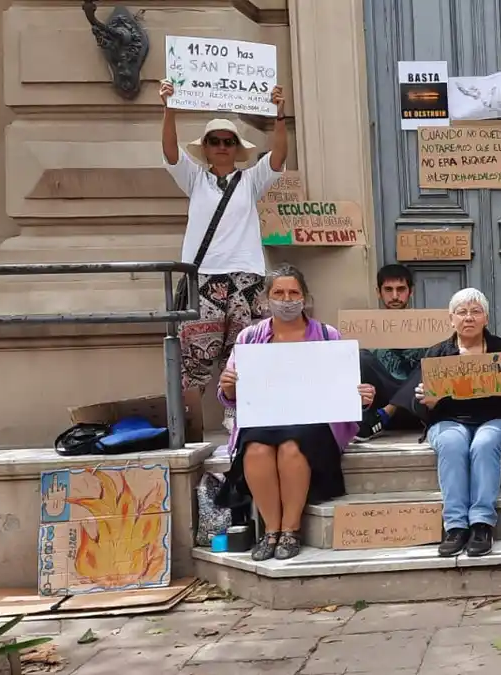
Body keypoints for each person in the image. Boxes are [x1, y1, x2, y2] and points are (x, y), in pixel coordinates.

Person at [215, 264, 374, 561]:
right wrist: (229, 387)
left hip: (313, 422)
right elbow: (229, 397)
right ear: (266, 299)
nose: (286, 300)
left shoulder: (327, 335)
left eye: (293, 293)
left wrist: (360, 397)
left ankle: (291, 529)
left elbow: (345, 388)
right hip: (266, 418)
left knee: (292, 447)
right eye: (279, 293)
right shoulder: (250, 338)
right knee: (256, 449)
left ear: (305, 297)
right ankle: (271, 530)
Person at [160, 80, 289, 425]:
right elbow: (170, 154)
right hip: (203, 275)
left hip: (245, 275)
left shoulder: (250, 180)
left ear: (236, 147)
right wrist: (169, 108)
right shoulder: (195, 179)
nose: (221, 147)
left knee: (244, 351)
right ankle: (189, 425)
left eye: (227, 141)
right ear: (205, 147)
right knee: (197, 352)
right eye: (214, 141)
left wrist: (279, 115)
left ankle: (239, 415)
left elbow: (278, 158)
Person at [411, 288, 501, 558]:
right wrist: (426, 402)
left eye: (475, 312)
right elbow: (417, 408)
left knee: (484, 442)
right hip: (449, 422)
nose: (469, 318)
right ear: (451, 319)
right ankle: (455, 526)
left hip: (498, 421)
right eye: (462, 312)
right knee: (452, 443)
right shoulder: (437, 353)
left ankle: (481, 524)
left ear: (486, 319)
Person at [356, 264, 426, 441]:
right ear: (378, 292)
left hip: (415, 406)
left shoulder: (427, 326)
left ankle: (388, 412)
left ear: (411, 291)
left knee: (431, 360)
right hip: (379, 404)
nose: (395, 296)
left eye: (401, 289)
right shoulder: (366, 329)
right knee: (361, 356)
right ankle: (379, 416)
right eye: (388, 289)